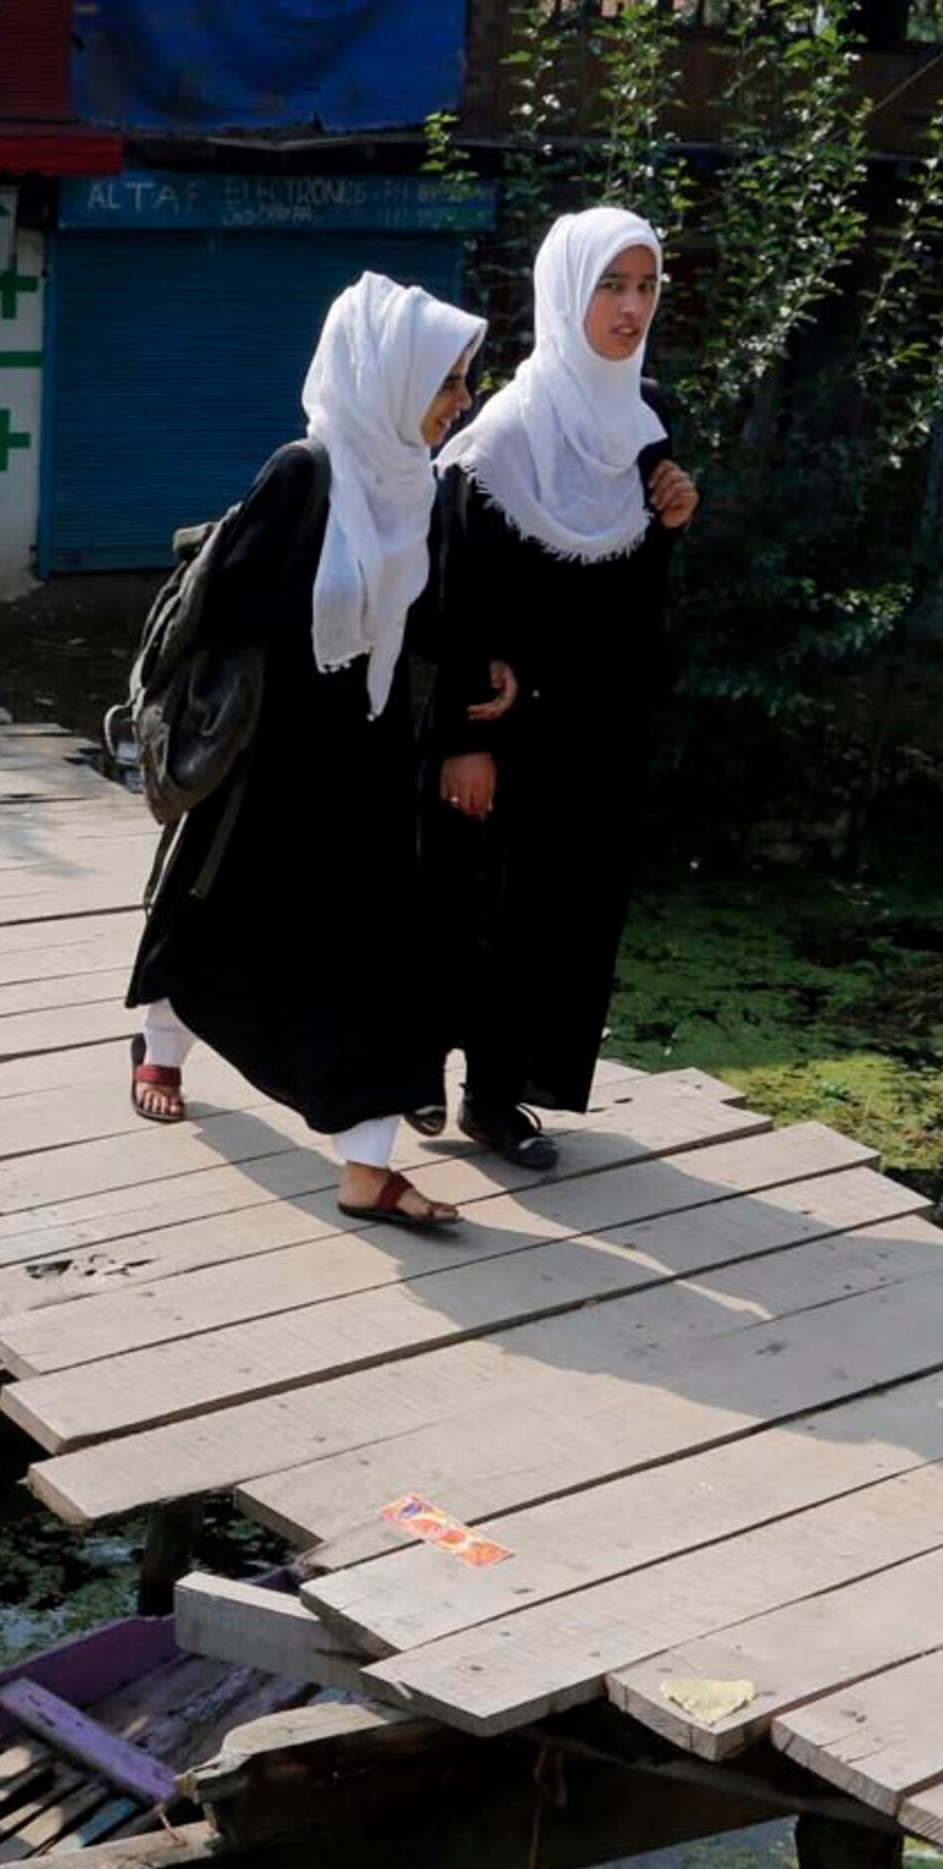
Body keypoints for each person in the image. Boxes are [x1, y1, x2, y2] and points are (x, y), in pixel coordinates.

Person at [122, 272, 511, 1232]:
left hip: (364, 759)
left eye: (464, 380)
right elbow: (231, 605)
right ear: (386, 376)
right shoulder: (307, 472)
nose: (462, 402)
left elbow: (419, 610)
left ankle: (366, 1164)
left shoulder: (410, 483)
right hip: (268, 764)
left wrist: (473, 676)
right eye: (447, 381)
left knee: (368, 953)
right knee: (205, 908)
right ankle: (160, 1039)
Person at [420, 207, 701, 1170]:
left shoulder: (648, 417)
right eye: (610, 287)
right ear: (565, 293)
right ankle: (416, 1070)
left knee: (559, 910)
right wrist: (465, 731)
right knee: (467, 901)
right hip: (502, 721)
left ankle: (498, 1097)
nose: (630, 309)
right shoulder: (503, 433)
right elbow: (456, 589)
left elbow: (635, 588)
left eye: (646, 286)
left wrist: (669, 516)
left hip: (598, 719)